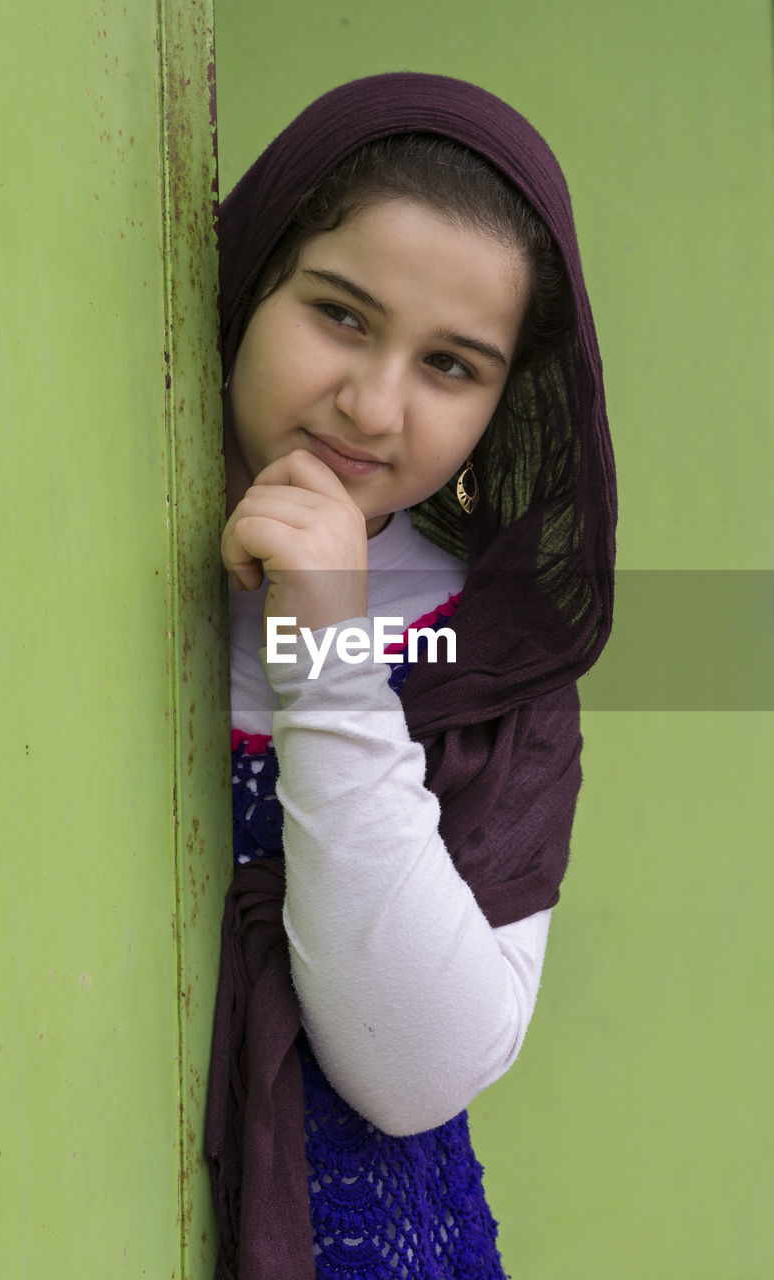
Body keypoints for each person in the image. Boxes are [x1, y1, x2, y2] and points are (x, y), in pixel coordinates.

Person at [206, 72, 616, 1280]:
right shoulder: (48, 553)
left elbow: (417, 1070)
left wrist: (326, 649)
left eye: (449, 366)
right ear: (249, 278)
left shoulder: (487, 654)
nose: (372, 404)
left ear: (504, 399)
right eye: (338, 313)